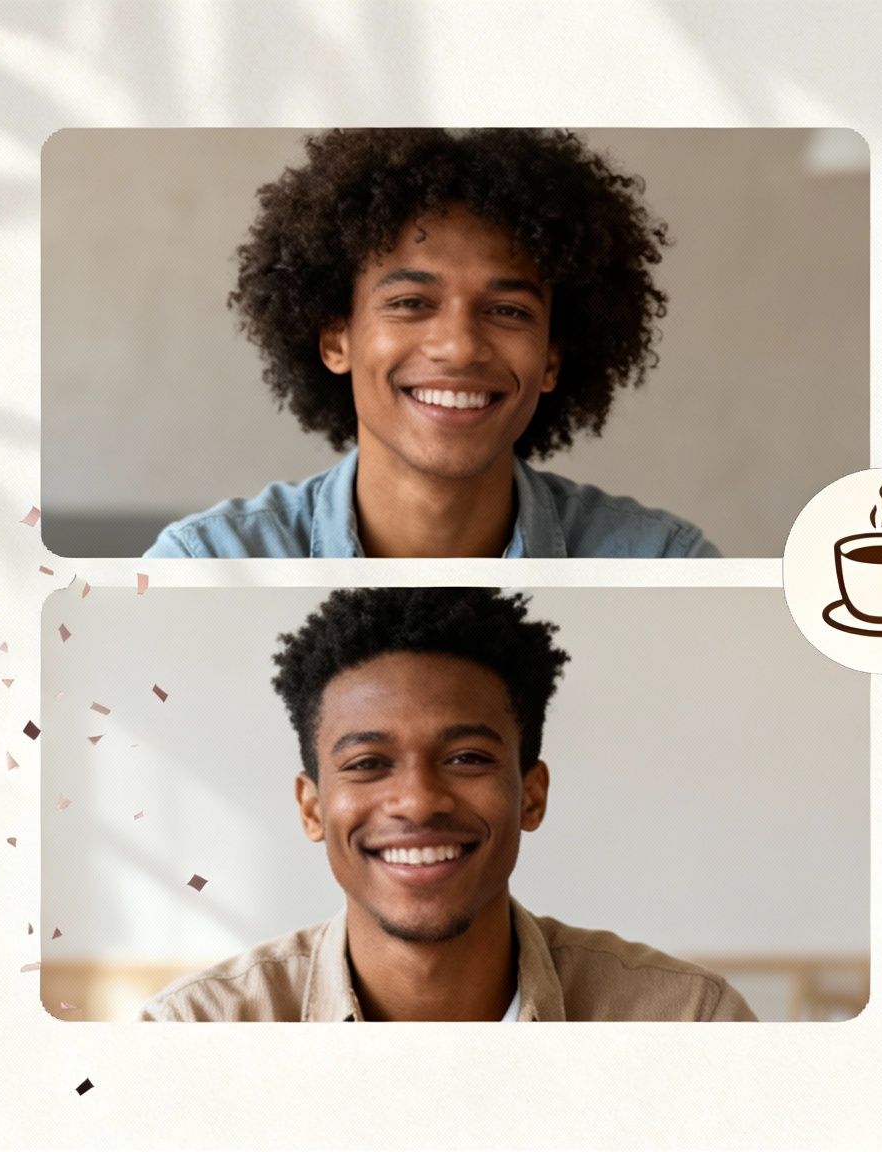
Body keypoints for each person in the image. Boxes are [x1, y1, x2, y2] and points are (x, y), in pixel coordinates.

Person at [141, 587, 753, 1021]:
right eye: (368, 764)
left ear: (532, 795)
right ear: (312, 808)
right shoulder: (192, 1034)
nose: (418, 802)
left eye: (466, 758)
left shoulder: (689, 1022)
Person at [145, 129, 718, 559]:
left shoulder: (664, 565)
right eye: (411, 303)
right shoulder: (207, 566)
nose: (460, 348)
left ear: (552, 358)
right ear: (336, 339)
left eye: (507, 311)